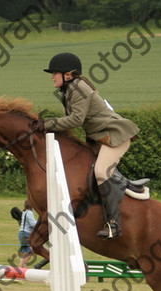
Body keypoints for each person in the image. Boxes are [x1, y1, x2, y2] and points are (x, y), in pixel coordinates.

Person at [30, 52, 140, 239]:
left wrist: (46, 124)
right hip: (101, 138)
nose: (52, 76)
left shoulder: (79, 88)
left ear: (69, 74)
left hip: (115, 135)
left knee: (100, 172)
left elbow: (76, 120)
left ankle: (114, 224)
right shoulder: (70, 89)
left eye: (55, 72)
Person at [18, 199, 37, 268]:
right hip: (25, 234)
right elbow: (33, 224)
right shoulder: (29, 213)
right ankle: (21, 267)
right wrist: (40, 222)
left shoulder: (25, 212)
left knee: (27, 251)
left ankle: (23, 267)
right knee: (29, 251)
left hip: (23, 233)